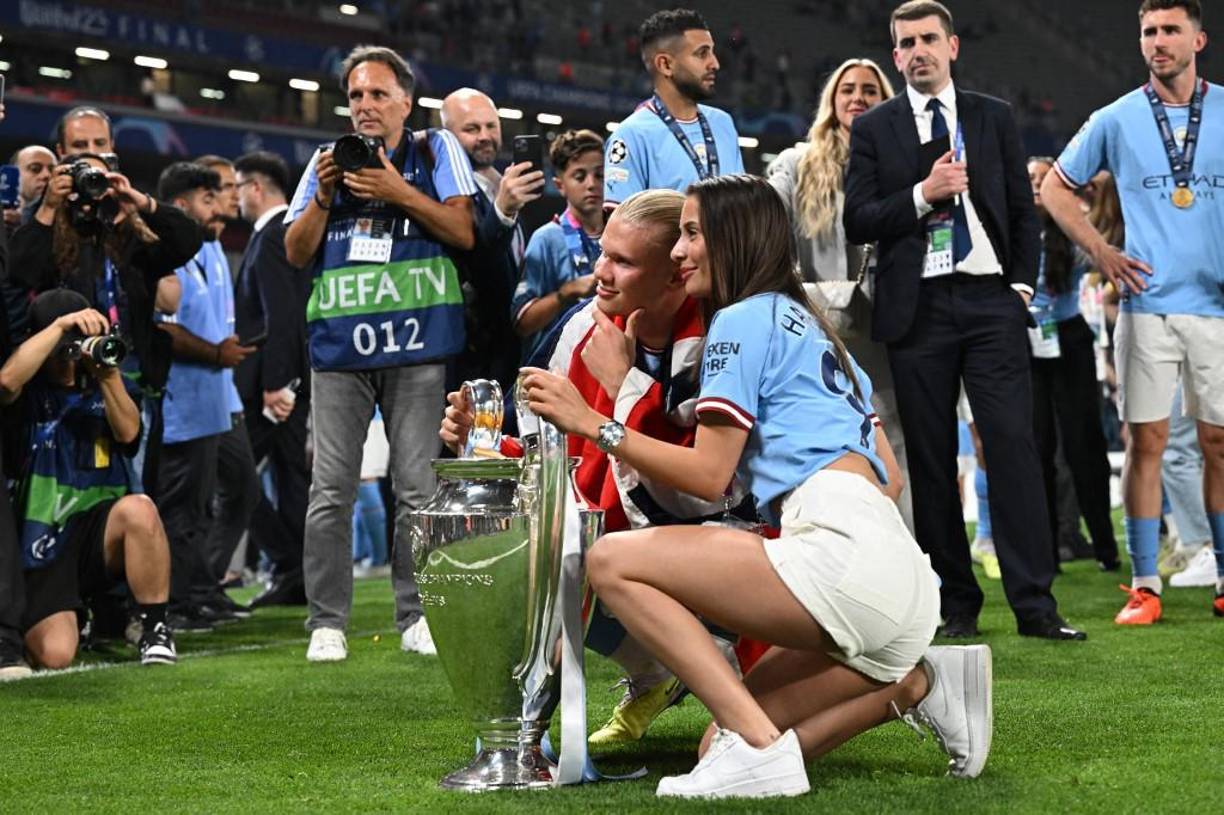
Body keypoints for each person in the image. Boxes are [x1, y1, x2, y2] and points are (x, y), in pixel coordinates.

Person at [522, 175, 987, 799]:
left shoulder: (738, 320)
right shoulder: (809, 322)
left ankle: (765, 753)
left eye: (692, 234)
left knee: (610, 562)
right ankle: (916, 686)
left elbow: (708, 476)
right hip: (898, 573)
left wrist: (594, 422)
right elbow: (889, 477)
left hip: (839, 553)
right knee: (719, 744)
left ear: (732, 239)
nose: (681, 253)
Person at [444, 188, 737, 745]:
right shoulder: (583, 326)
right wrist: (482, 443)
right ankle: (653, 671)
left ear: (676, 273)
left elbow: (705, 492)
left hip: (729, 554)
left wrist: (619, 389)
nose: (600, 272)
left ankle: (720, 653)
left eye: (623, 262)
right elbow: (549, 456)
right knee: (543, 541)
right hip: (632, 542)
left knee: (596, 555)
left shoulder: (721, 341)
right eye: (603, 252)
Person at [843, 0, 1084, 641]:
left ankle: (1036, 604)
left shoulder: (992, 117)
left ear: (953, 46)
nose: (918, 50)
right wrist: (924, 193)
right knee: (930, 460)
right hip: (916, 309)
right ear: (895, 56)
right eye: (906, 43)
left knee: (1013, 449)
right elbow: (858, 218)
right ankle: (957, 603)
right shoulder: (874, 129)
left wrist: (1021, 288)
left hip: (989, 303)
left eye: (929, 38)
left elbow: (1020, 208)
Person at [284, 45, 479, 662]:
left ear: (405, 101)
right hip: (341, 346)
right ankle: (326, 622)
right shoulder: (326, 162)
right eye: (355, 96)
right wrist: (321, 196)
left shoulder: (433, 150)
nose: (364, 106)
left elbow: (463, 231)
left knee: (418, 487)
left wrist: (396, 191)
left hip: (418, 340)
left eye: (377, 94)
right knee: (330, 489)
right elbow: (294, 252)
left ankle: (416, 613)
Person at [1040, 0, 1224, 622]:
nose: (1158, 41)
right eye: (1148, 31)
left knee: (1218, 444)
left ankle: (1223, 575)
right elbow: (1053, 187)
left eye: (1171, 29)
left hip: (1216, 309)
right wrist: (1101, 251)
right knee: (1145, 441)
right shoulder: (1116, 118)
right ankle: (1146, 585)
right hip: (1146, 307)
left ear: (1198, 38)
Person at [767, 57, 914, 531]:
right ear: (831, 101)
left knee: (894, 444)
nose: (858, 97)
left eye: (870, 90)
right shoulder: (796, 164)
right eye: (847, 89)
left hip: (885, 332)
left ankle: (904, 554)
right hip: (817, 329)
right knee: (824, 446)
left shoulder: (903, 169)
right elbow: (766, 228)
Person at [8, 151, 202, 497]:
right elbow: (19, 271)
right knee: (69, 496)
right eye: (82, 180)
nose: (90, 190)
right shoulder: (49, 241)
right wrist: (50, 206)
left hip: (129, 391)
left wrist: (139, 200)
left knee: (134, 497)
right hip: (66, 394)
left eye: (100, 181)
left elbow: (188, 239)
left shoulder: (131, 247)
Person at [0, 290, 177, 668]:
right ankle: (82, 618)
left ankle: (156, 630)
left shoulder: (105, 384)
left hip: (97, 532)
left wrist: (107, 375)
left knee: (140, 510)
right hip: (41, 542)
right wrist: (62, 327)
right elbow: (5, 381)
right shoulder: (29, 392)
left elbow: (129, 435)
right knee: (56, 655)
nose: (72, 354)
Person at [154, 162, 259, 629]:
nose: (222, 205)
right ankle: (174, 604)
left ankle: (198, 590)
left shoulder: (211, 247)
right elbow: (164, 330)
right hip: (183, 402)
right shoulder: (167, 254)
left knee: (213, 502)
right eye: (210, 197)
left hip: (216, 402)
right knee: (181, 511)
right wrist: (216, 353)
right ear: (182, 205)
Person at [1025, 157, 1120, 572]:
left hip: (1070, 337)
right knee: (1037, 445)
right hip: (1026, 343)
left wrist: (1089, 200)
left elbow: (1106, 249)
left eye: (1043, 180)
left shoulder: (1074, 230)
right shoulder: (1013, 231)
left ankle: (1105, 545)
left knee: (1086, 445)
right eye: (1028, 179)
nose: (1035, 186)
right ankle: (1046, 550)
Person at [233, 150, 310, 608]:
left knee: (235, 473)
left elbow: (283, 315)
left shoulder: (274, 235)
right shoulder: (279, 234)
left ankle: (289, 564)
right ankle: (294, 572)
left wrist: (280, 384)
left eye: (238, 187)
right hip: (284, 386)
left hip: (274, 389)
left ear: (256, 188)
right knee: (288, 480)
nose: (236, 197)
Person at [441, 87, 544, 389]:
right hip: (470, 358)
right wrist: (503, 210)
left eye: (491, 126)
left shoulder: (502, 185)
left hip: (509, 353)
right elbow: (476, 268)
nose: (485, 135)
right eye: (471, 129)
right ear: (448, 137)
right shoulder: (444, 195)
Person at [604, 8, 744, 206]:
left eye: (712, 52)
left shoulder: (723, 123)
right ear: (665, 65)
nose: (715, 64)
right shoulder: (631, 135)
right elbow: (621, 231)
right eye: (702, 54)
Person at [511, 129, 605, 358]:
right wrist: (566, 292)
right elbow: (521, 323)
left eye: (600, 175)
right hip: (556, 367)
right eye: (580, 176)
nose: (591, 184)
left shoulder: (620, 234)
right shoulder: (547, 239)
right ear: (560, 184)